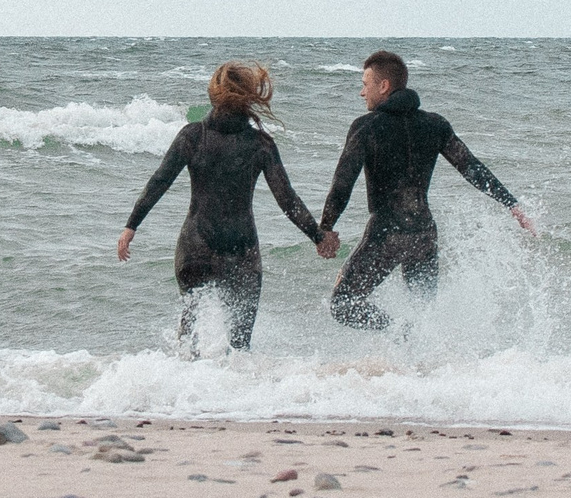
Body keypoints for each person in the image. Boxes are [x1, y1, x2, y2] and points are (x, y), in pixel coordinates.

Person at [117, 62, 335, 355]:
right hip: (241, 251)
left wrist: (131, 226)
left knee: (189, 334)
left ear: (213, 95)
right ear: (249, 97)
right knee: (240, 345)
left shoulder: (191, 136)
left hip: (195, 248)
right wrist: (317, 236)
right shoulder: (261, 144)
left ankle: (181, 394)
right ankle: (232, 397)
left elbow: (159, 181)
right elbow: (287, 199)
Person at [319, 50, 532, 330]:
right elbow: (471, 167)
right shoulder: (435, 124)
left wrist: (326, 228)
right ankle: (425, 366)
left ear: (384, 86)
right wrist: (512, 205)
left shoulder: (367, 127)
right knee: (424, 316)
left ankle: (399, 331)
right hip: (424, 235)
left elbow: (342, 183)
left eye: (365, 84)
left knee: (343, 304)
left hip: (388, 233)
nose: (362, 92)